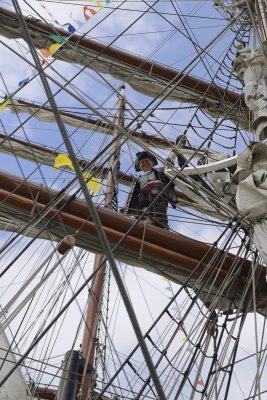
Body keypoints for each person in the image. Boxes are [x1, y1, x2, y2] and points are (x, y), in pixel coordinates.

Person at [125, 151, 177, 228]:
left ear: (152, 163)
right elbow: (134, 194)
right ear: (140, 166)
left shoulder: (159, 171)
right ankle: (144, 221)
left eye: (147, 161)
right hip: (143, 192)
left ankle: (161, 221)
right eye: (142, 162)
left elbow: (170, 174)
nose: (144, 163)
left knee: (157, 199)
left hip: (156, 187)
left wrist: (170, 166)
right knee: (142, 205)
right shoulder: (138, 179)